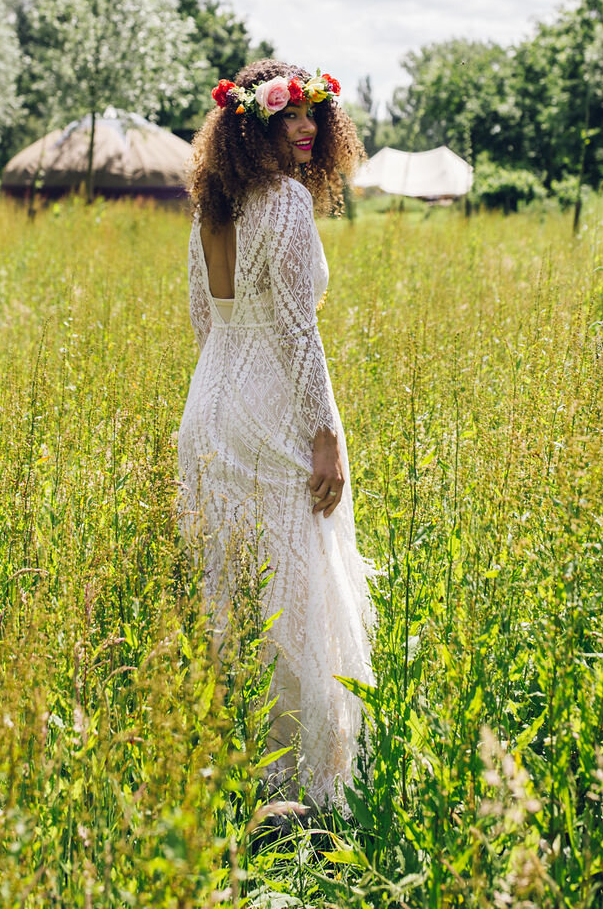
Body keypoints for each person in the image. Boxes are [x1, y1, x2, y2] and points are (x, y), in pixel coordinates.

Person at [178, 58, 376, 811]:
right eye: (286, 116)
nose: (304, 128)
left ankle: (236, 762)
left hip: (210, 408)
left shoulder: (212, 208)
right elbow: (298, 330)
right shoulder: (287, 203)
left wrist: (221, 394)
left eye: (313, 116)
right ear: (250, 125)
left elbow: (204, 320)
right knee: (294, 590)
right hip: (271, 408)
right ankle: (305, 789)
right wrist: (324, 435)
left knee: (230, 587)